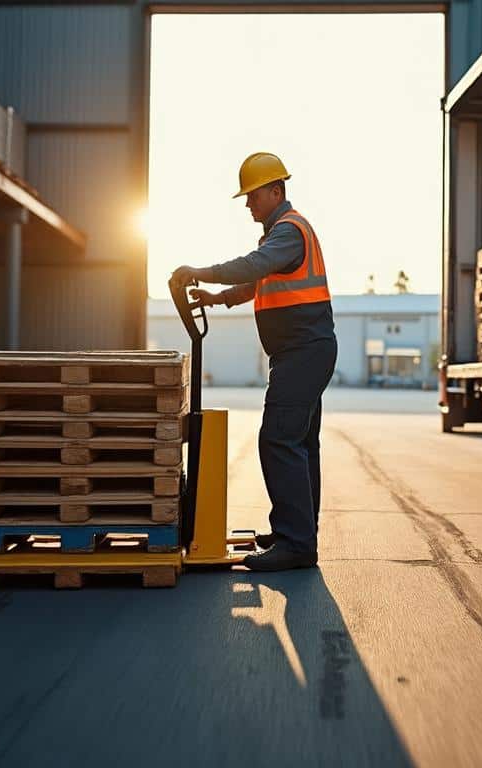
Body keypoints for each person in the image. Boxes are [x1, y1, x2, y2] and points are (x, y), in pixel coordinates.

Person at [169, 152, 337, 572]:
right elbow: (255, 281)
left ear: (276, 191)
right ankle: (297, 533)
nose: (248, 204)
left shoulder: (288, 231)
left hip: (303, 352)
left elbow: (253, 265)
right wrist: (217, 298)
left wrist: (200, 272)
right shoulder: (281, 236)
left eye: (253, 196)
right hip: (303, 352)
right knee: (299, 443)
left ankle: (297, 543)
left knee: (278, 439)